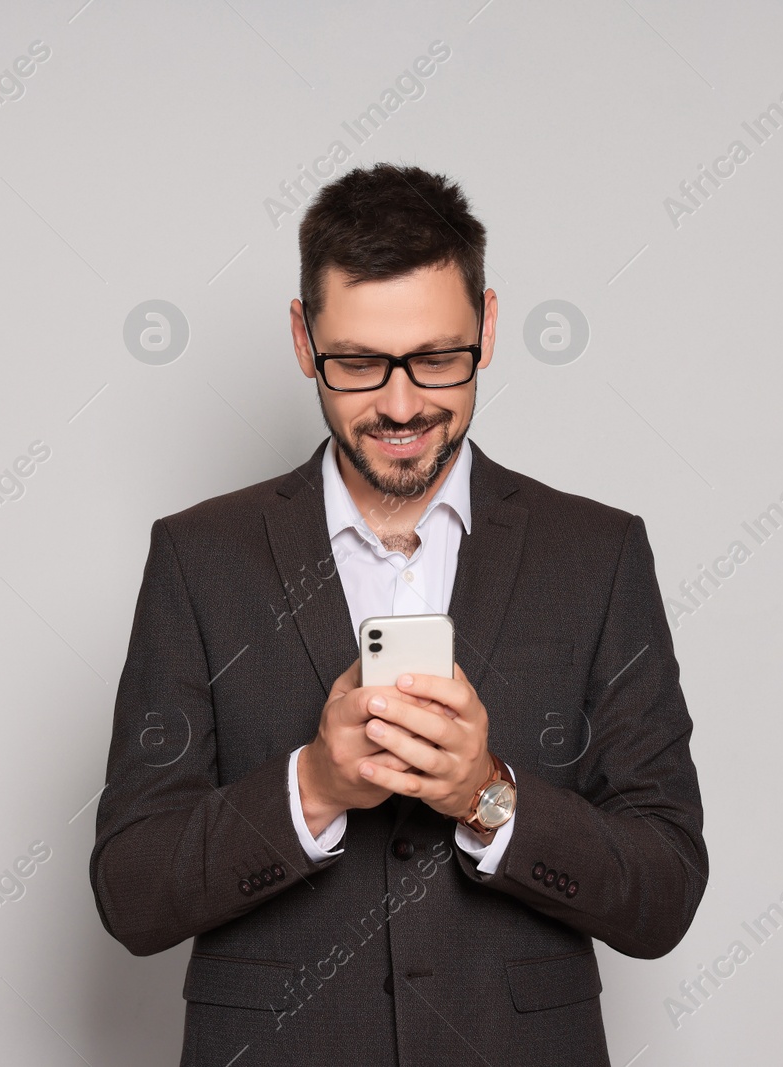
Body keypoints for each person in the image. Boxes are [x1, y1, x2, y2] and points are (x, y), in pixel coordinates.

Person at [91, 163, 708, 1066]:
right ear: (304, 339)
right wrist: (314, 785)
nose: (402, 402)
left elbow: (664, 893)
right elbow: (133, 891)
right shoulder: (200, 558)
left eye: (437, 357)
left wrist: (488, 796)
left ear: (489, 327)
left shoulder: (598, 555)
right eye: (357, 363)